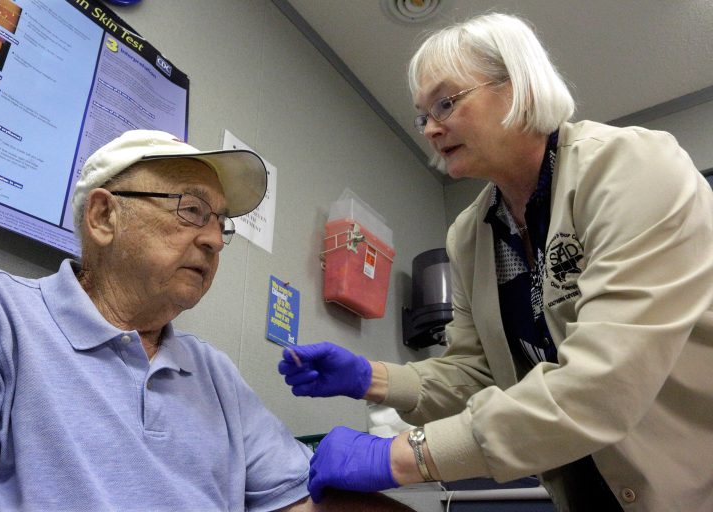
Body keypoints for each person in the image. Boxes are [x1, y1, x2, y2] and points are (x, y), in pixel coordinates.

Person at [278, 13, 713, 512]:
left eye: (446, 102)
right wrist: (370, 377)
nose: (431, 129)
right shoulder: (471, 234)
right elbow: (478, 372)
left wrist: (403, 455)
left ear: (520, 85)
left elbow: (604, 384)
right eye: (422, 116)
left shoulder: (632, 167)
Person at [0, 130, 413, 512]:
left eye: (221, 222)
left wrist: (411, 460)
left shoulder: (215, 374)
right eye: (191, 210)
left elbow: (295, 505)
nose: (213, 239)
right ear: (104, 216)